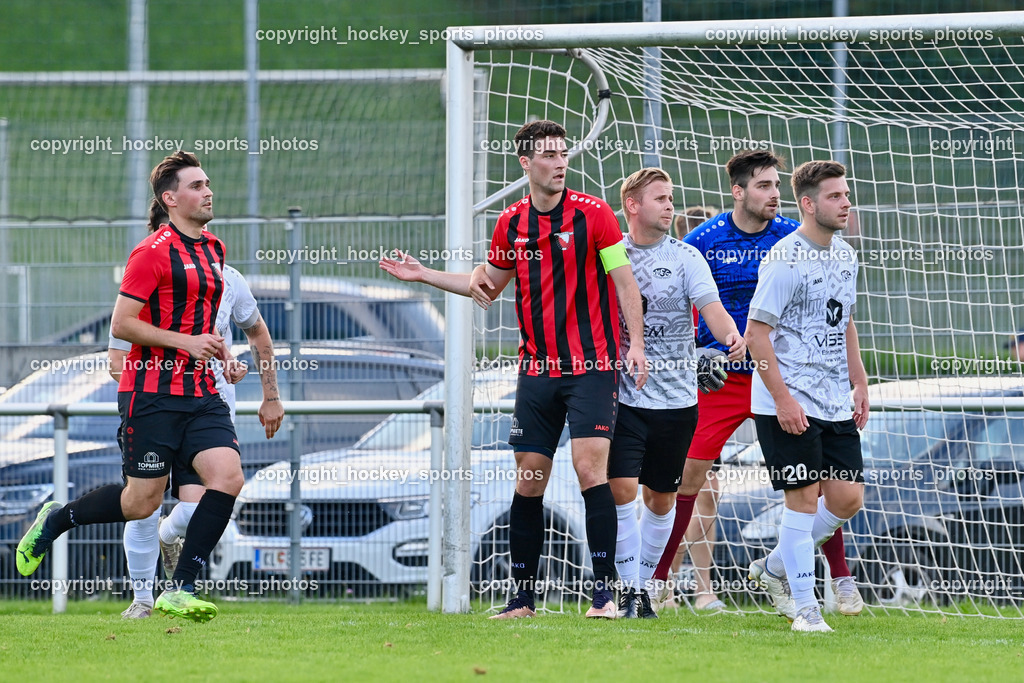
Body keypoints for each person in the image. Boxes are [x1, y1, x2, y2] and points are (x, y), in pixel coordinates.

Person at [381, 119, 648, 619]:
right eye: (548, 154)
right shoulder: (512, 222)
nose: (560, 161)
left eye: (563, 153)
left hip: (593, 366)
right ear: (526, 163)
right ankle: (522, 598)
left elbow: (626, 284)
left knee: (592, 470)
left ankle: (606, 596)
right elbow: (486, 285)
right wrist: (424, 275)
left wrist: (635, 346)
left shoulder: (596, 215)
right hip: (537, 372)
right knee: (528, 481)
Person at [17, 151, 243, 623]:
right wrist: (186, 342)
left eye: (208, 184)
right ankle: (58, 518)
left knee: (228, 478)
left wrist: (223, 354)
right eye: (197, 186)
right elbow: (123, 323)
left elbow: (202, 324)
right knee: (141, 502)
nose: (208, 192)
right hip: (151, 393)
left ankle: (180, 587)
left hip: (201, 392)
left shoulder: (214, 250)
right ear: (171, 198)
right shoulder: (150, 253)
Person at [650, 151, 864, 619]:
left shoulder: (796, 236)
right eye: (764, 186)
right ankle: (659, 579)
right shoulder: (703, 240)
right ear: (738, 191)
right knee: (688, 475)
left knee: (821, 482)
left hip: (785, 377)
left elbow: (835, 313)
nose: (773, 194)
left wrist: (856, 377)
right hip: (723, 378)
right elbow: (680, 302)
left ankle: (840, 577)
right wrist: (698, 355)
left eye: (776, 185)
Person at [112, 199, 285, 619]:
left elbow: (256, 334)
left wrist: (268, 393)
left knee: (200, 504)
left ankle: (171, 542)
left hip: (208, 409)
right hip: (153, 407)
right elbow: (117, 358)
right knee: (143, 501)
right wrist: (159, 381)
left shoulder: (227, 278)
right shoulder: (147, 275)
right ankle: (141, 599)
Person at [608, 171, 744, 619]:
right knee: (623, 488)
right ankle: (630, 590)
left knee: (660, 499)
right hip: (625, 397)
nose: (670, 205)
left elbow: (713, 308)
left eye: (671, 197)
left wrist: (731, 337)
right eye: (660, 198)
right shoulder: (610, 255)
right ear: (632, 205)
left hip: (677, 402)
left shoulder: (686, 257)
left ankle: (647, 584)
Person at [745, 159, 868, 633]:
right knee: (801, 500)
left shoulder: (845, 255)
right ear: (808, 203)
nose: (845, 203)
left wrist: (859, 382)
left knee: (846, 500)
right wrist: (782, 400)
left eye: (846, 194)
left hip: (834, 397)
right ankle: (806, 609)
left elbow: (846, 324)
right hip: (786, 399)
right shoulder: (783, 259)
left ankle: (773, 568)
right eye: (835, 196)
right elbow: (757, 335)